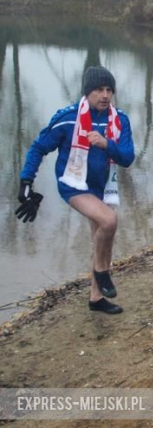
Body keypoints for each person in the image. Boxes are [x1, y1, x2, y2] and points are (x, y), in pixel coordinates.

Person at [16, 66, 135, 314]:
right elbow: (38, 148)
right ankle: (101, 272)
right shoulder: (68, 118)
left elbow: (127, 158)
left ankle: (96, 299)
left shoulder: (119, 120)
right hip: (73, 185)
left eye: (109, 90)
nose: (105, 95)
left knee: (103, 239)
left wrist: (106, 144)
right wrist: (26, 181)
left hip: (102, 187)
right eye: (99, 90)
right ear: (87, 92)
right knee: (109, 220)